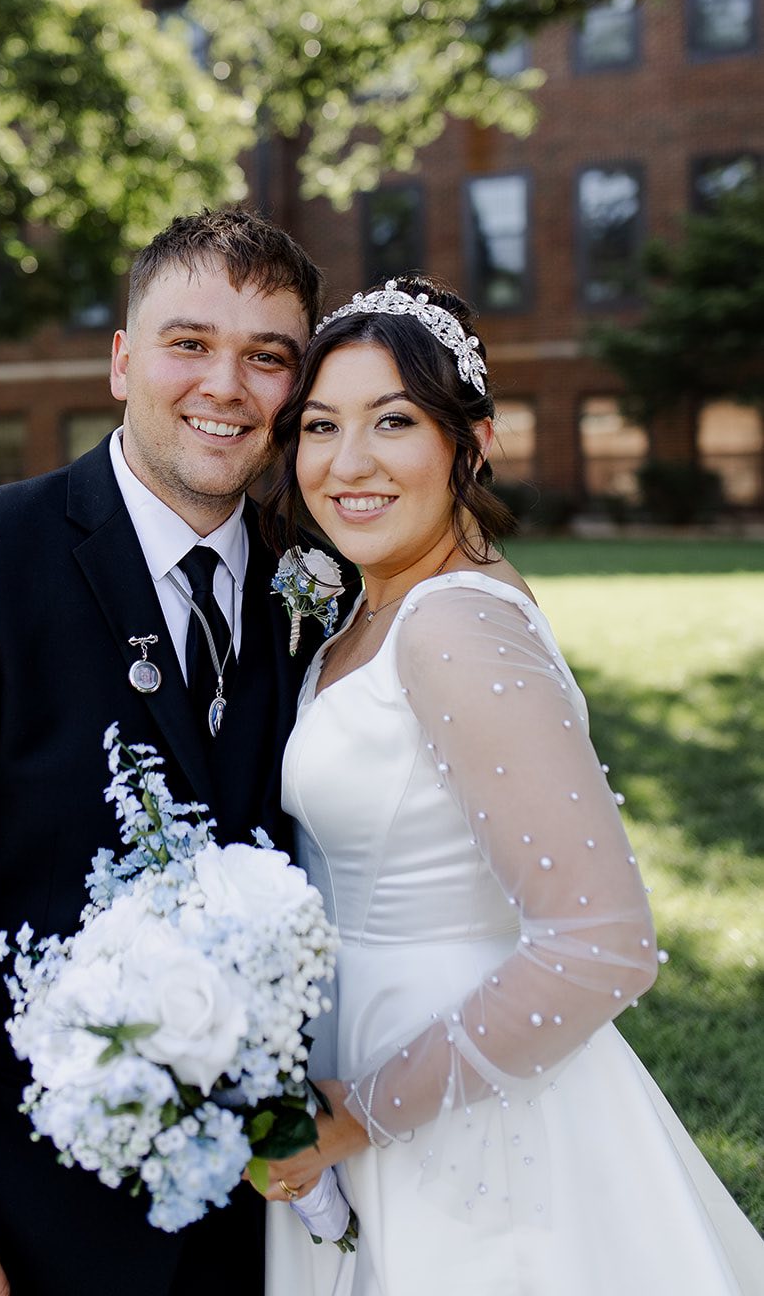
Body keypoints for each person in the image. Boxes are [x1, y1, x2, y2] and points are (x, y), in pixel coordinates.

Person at [0, 208, 330, 1296]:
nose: (225, 384)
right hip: (11, 1212)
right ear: (122, 359)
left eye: (265, 356)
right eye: (188, 343)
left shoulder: (317, 582)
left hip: (255, 1218)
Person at [260, 275, 764, 1295]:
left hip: (459, 1106)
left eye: (391, 421)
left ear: (469, 443)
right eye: (319, 425)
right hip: (358, 1058)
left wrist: (360, 1111)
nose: (346, 462)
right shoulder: (372, 610)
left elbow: (602, 945)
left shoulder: (451, 624)